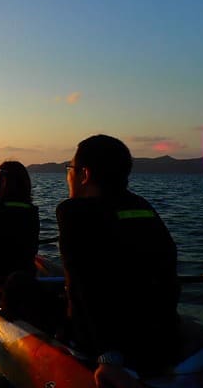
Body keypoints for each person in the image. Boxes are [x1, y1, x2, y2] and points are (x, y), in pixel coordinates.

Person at [56, 135, 180, 388]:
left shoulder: (73, 211)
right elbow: (168, 276)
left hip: (106, 348)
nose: (68, 175)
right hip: (159, 339)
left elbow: (83, 284)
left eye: (70, 168)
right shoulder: (143, 206)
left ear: (85, 174)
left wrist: (109, 356)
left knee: (20, 286)